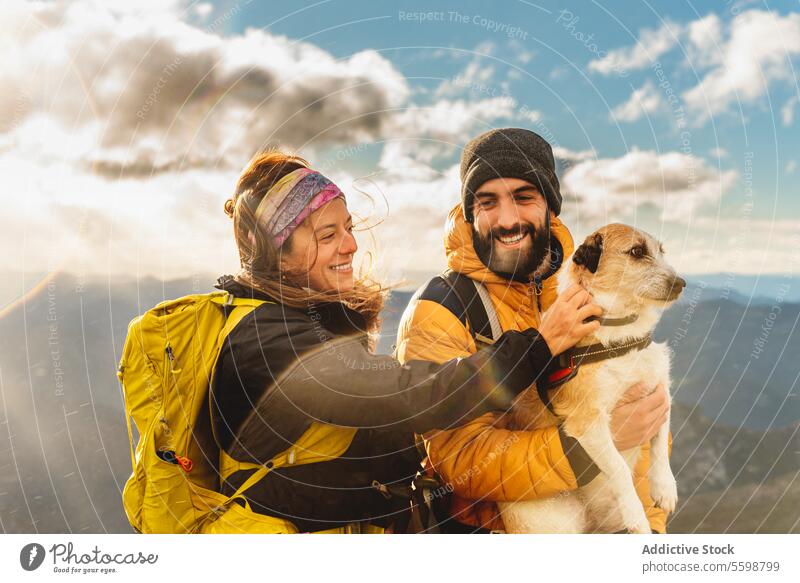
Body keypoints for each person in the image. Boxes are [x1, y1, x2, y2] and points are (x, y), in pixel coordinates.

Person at [208, 149, 569, 533]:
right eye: (328, 235)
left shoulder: (303, 324)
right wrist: (538, 346)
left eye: (348, 228)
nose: (350, 246)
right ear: (275, 254)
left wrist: (450, 486)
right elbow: (406, 396)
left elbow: (361, 436)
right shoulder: (264, 345)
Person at [396, 128, 672, 533]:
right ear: (470, 213)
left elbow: (645, 417)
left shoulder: (589, 286)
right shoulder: (442, 308)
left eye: (524, 197)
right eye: (487, 202)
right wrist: (582, 448)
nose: (508, 220)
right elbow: (459, 461)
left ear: (550, 207)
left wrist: (648, 530)